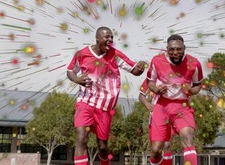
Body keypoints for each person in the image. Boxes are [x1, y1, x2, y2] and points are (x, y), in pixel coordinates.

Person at [67, 26, 146, 165]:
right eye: (106, 37)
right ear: (97, 38)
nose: (110, 40)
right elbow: (70, 71)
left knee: (102, 146)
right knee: (81, 137)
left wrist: (140, 69)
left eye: (112, 38)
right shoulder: (82, 54)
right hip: (85, 101)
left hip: (105, 107)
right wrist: (76, 79)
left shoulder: (115, 54)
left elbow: (134, 70)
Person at [146, 34, 203, 165]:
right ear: (167, 49)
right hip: (161, 106)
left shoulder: (194, 63)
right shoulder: (157, 61)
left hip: (182, 107)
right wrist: (156, 89)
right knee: (156, 149)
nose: (175, 53)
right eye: (172, 49)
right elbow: (150, 82)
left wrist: (191, 90)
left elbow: (198, 84)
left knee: (188, 138)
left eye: (179, 49)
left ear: (184, 48)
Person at [139, 79, 174, 165]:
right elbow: (141, 95)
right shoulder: (152, 77)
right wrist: (147, 104)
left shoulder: (175, 74)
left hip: (171, 114)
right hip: (156, 116)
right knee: (156, 150)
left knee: (167, 145)